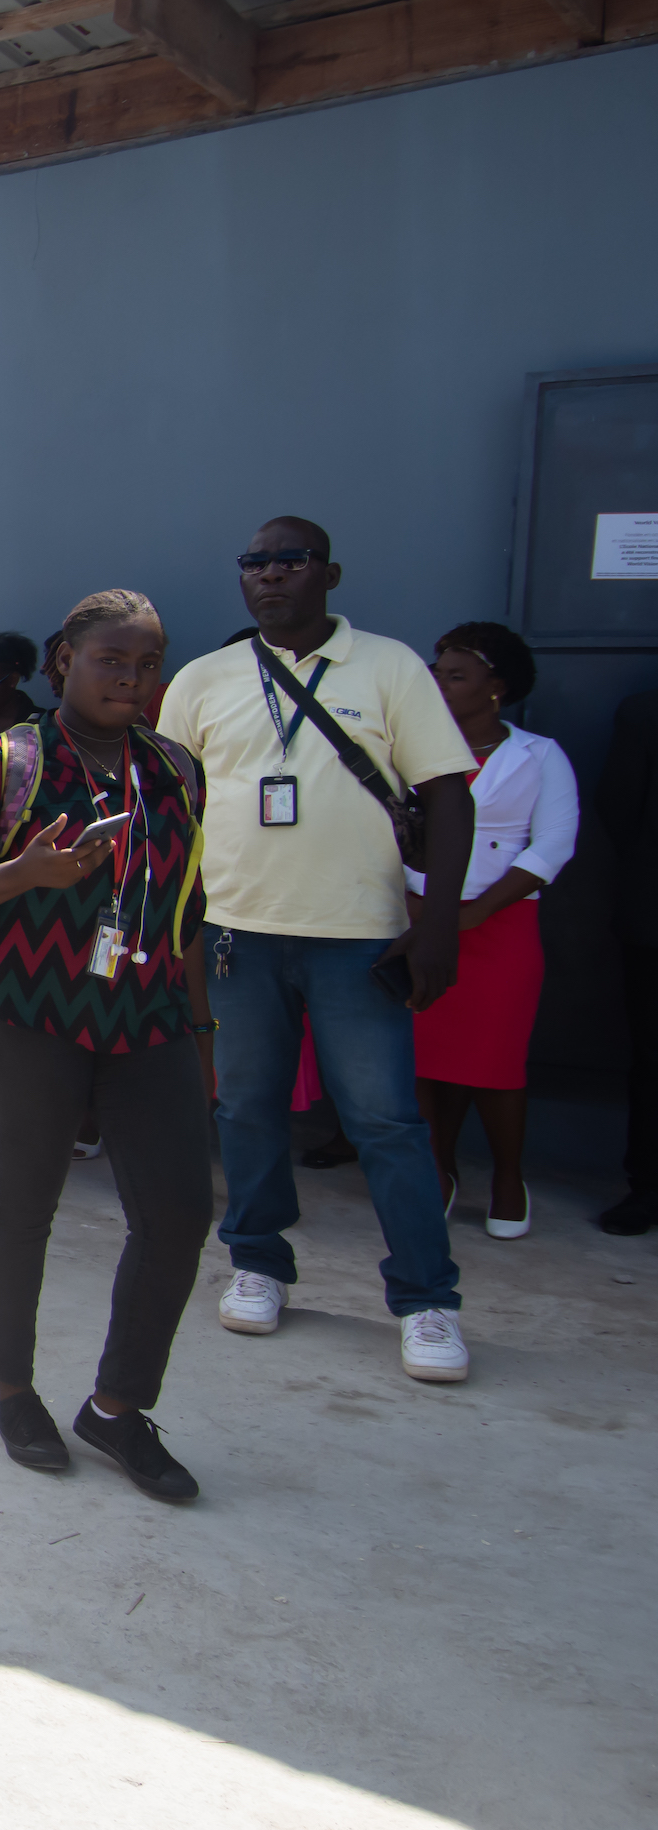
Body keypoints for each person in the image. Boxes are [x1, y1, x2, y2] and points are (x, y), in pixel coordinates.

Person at [155, 517, 477, 1382]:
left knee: (387, 1124)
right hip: (237, 936)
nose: (267, 576)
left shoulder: (390, 667)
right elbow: (170, 807)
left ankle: (427, 1301)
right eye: (253, 563)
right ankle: (258, 1263)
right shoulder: (205, 679)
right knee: (248, 1111)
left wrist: (437, 922)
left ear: (328, 573)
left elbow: (449, 797)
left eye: (287, 561)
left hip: (357, 939)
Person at [0, 593, 213, 1502]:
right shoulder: (2, 762)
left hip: (150, 1018)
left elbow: (186, 911)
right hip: (31, 1015)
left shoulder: (176, 770)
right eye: (111, 661)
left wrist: (199, 1028)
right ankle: (14, 1389)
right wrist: (24, 875)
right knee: (24, 1207)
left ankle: (118, 1405)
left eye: (146, 665)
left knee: (175, 1214)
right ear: (63, 662)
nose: (130, 680)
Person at [412, 622, 575, 1241]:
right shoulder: (414, 751)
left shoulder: (539, 755)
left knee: (496, 1061)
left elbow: (555, 842)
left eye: (455, 675)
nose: (438, 683)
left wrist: (476, 912)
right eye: (437, 671)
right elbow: (392, 829)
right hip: (421, 921)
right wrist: (415, 901)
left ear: (496, 689)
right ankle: (439, 1168)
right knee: (426, 1057)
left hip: (500, 927)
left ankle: (509, 1177)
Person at [601, 687, 658, 1235]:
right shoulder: (646, 707)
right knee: (652, 1061)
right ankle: (647, 1189)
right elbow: (620, 807)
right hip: (653, 920)